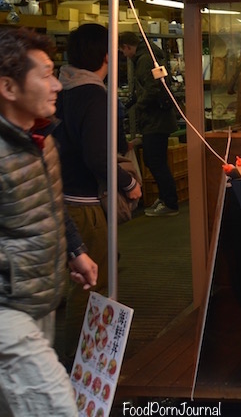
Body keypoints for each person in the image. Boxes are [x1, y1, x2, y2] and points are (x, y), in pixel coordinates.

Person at [0, 27, 98, 416]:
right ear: (8, 87)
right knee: (56, 404)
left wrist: (75, 249)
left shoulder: (42, 139)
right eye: (44, 75)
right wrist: (16, 270)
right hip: (9, 307)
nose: (57, 84)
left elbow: (52, 206)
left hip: (41, 299)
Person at [55, 23, 142, 367]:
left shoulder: (64, 90)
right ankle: (82, 361)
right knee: (92, 284)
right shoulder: (93, 95)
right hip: (83, 205)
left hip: (63, 199)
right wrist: (126, 182)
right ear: (107, 56)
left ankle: (81, 355)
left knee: (84, 279)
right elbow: (97, 156)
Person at [118, 31, 179, 217]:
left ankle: (169, 202)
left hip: (156, 119)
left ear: (127, 47)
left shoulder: (144, 59)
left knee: (155, 161)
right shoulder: (150, 55)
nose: (124, 55)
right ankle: (166, 198)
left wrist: (138, 107)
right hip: (158, 118)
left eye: (123, 51)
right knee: (155, 160)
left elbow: (152, 88)